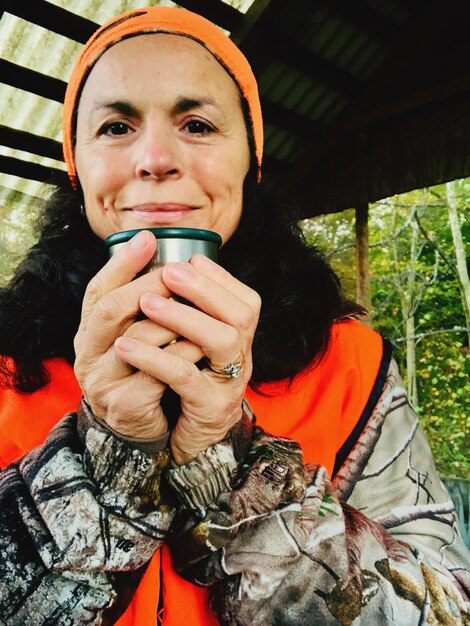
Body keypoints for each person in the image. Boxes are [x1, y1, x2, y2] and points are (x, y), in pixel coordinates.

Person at [0, 6, 468, 625]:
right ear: (76, 166)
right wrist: (108, 460)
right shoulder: (8, 360)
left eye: (197, 124)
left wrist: (230, 470)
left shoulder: (349, 363)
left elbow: (445, 610)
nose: (156, 158)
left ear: (251, 160)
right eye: (116, 127)